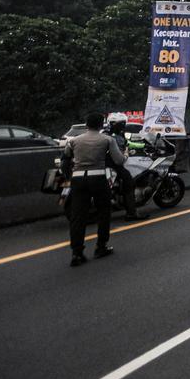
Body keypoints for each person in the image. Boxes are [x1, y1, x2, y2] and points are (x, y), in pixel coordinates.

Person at [61, 112, 125, 266]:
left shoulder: (74, 140)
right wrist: (126, 155)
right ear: (101, 124)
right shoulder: (107, 139)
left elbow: (65, 160)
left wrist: (70, 176)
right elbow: (119, 160)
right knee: (103, 212)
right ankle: (100, 247)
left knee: (78, 217)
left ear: (86, 124)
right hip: (98, 178)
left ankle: (77, 253)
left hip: (78, 179)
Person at [105, 112, 140, 221]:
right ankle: (131, 212)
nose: (123, 126)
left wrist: (142, 144)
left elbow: (127, 144)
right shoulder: (114, 136)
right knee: (129, 181)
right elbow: (120, 157)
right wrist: (125, 154)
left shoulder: (108, 133)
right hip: (112, 163)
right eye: (121, 124)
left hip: (102, 163)